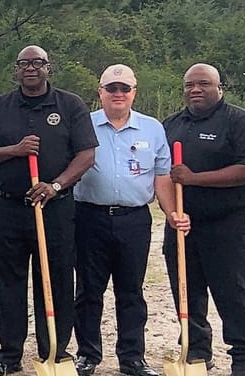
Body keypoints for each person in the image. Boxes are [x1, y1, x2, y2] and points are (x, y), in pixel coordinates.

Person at [0, 46, 97, 376]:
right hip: (9, 208)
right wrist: (14, 150)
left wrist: (56, 185)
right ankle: (8, 355)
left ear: (48, 68)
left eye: (38, 63)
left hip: (54, 208)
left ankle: (54, 352)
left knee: (56, 280)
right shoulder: (0, 106)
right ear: (16, 70)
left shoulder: (70, 105)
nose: (31, 68)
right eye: (24, 64)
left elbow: (86, 155)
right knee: (9, 283)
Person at [162, 63, 245, 376]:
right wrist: (171, 212)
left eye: (203, 84)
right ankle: (195, 352)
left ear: (219, 87)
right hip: (183, 223)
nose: (195, 89)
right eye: (189, 85)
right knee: (187, 290)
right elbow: (160, 172)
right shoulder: (171, 125)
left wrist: (196, 178)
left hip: (228, 223)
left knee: (233, 292)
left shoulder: (239, 121)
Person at [69, 65, 173, 376]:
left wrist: (172, 213)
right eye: (111, 88)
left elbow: (162, 175)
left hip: (134, 220)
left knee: (131, 291)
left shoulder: (152, 128)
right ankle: (88, 354)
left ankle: (132, 358)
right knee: (88, 291)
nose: (118, 94)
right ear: (100, 92)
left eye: (124, 89)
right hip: (89, 217)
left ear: (133, 92)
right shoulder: (83, 124)